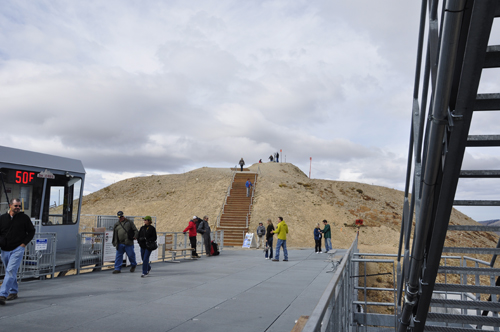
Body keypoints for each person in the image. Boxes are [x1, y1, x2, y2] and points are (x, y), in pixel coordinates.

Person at [0, 198, 36, 304]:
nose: (18, 208)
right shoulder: (2, 218)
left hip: (17, 249)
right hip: (4, 249)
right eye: (16, 206)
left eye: (19, 206)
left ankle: (2, 295)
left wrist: (23, 244)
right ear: (10, 205)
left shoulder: (24, 218)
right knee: (10, 271)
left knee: (10, 270)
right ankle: (14, 291)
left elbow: (31, 231)